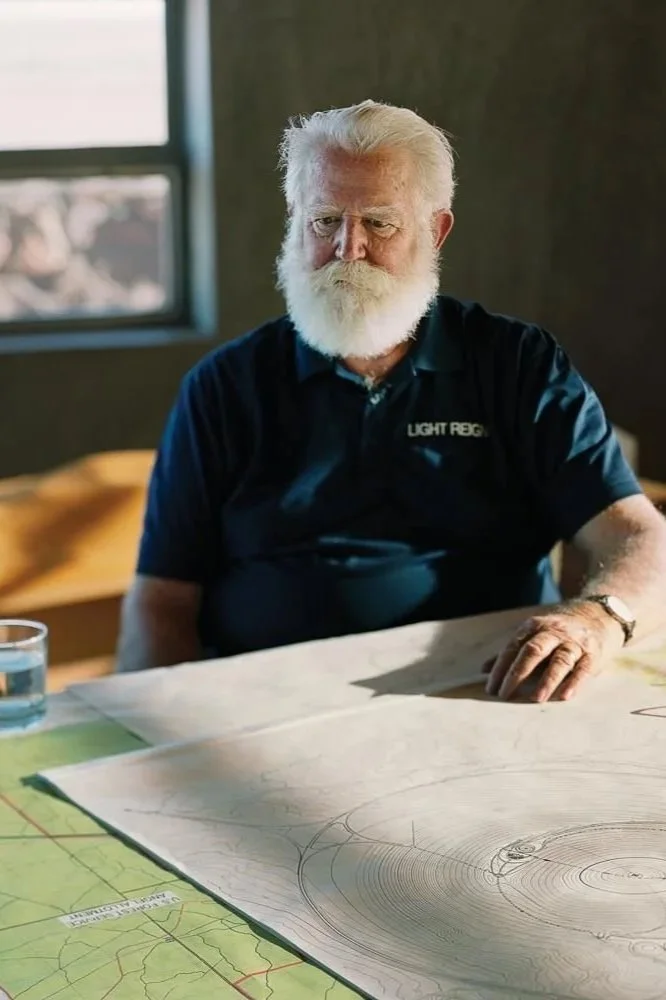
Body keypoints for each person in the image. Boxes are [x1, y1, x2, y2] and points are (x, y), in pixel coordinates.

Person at [117, 100, 666, 702]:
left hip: (482, 695)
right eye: (325, 220)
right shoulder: (224, 385)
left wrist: (598, 618)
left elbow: (641, 537)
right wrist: (151, 735)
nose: (348, 248)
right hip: (263, 703)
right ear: (294, 220)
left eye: (379, 223)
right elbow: (162, 599)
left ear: (435, 230)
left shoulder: (518, 366)